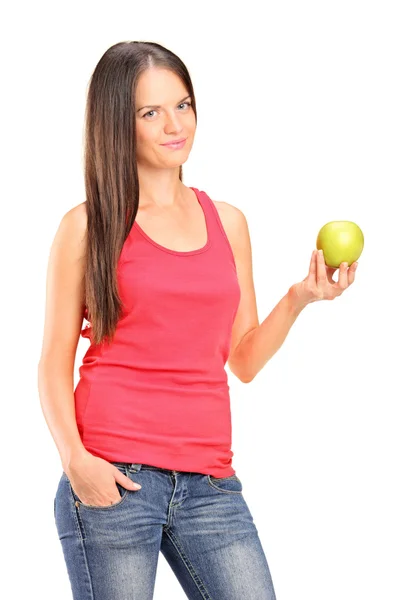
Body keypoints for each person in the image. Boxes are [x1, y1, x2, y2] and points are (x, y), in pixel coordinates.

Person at [38, 41, 358, 600]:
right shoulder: (87, 225)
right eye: (150, 112)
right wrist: (76, 461)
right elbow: (53, 358)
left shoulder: (228, 221)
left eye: (182, 105)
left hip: (210, 482)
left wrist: (302, 296)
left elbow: (245, 358)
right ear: (119, 123)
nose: (173, 124)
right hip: (114, 475)